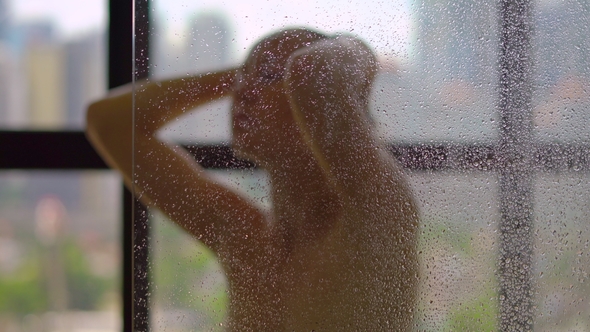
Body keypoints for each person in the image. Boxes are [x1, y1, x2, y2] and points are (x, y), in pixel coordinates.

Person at [86, 28, 419, 331]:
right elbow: (109, 122)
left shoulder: (376, 216)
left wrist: (360, 52)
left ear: (329, 106)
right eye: (242, 78)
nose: (243, 92)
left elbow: (313, 75)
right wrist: (237, 77)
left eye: (273, 76)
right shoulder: (244, 236)